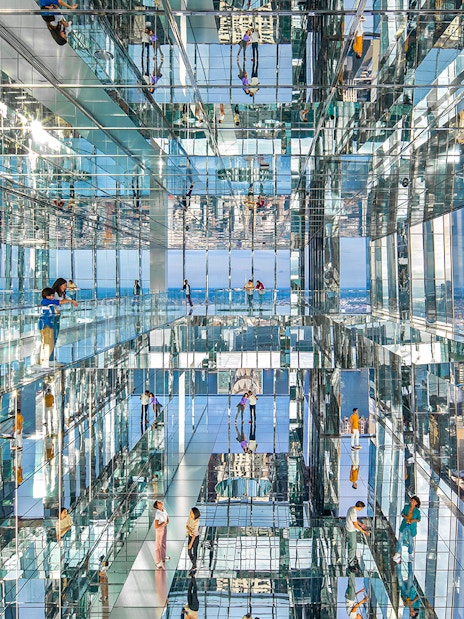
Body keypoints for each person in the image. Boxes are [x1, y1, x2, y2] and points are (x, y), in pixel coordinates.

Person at [39, 286, 77, 366]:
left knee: (50, 342)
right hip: (45, 324)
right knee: (47, 342)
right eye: (51, 295)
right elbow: (59, 302)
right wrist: (71, 301)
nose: (53, 297)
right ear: (47, 296)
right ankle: (45, 360)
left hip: (49, 324)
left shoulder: (48, 302)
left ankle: (46, 360)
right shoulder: (45, 302)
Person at [393, 496, 421, 563]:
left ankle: (410, 554)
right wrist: (406, 517)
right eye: (412, 500)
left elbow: (419, 519)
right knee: (400, 539)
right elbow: (402, 513)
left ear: (416, 503)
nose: (412, 502)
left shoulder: (417, 511)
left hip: (411, 527)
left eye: (414, 501)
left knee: (410, 541)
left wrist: (413, 520)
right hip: (404, 525)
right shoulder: (406, 507)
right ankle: (398, 553)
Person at [346, 500, 369, 568]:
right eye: (361, 508)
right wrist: (364, 532)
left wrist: (361, 524)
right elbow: (355, 525)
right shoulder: (353, 513)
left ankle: (351, 559)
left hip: (349, 529)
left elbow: (355, 521)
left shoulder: (351, 508)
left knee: (352, 546)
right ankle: (351, 564)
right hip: (351, 530)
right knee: (353, 547)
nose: (361, 509)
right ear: (359, 507)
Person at [153, 500, 170, 569]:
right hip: (160, 529)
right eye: (159, 503)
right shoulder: (158, 514)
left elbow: (167, 516)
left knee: (163, 542)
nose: (161, 503)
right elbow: (156, 525)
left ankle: (163, 556)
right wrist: (163, 523)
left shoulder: (164, 509)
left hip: (164, 527)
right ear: (157, 506)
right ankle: (157, 562)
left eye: (160, 502)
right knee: (158, 545)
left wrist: (167, 521)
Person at [186, 507, 201, 575]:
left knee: (194, 551)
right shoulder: (190, 517)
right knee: (189, 552)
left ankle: (194, 566)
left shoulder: (197, 521)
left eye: (191, 512)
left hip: (195, 537)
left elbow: (194, 534)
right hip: (190, 535)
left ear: (195, 514)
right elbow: (187, 525)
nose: (190, 513)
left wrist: (190, 544)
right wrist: (190, 530)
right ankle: (194, 565)